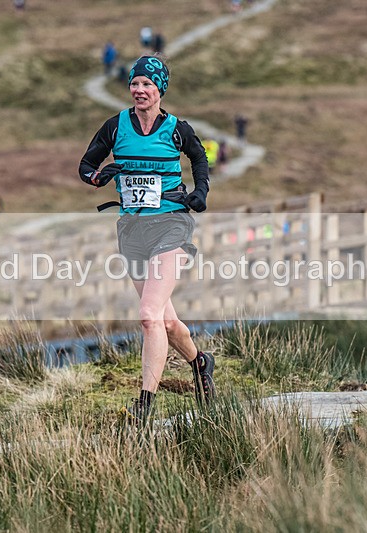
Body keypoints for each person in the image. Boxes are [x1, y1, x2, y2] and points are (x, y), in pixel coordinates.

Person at [79, 55, 215, 424]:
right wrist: (99, 177)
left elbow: (199, 159)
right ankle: (201, 363)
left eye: (147, 85)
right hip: (132, 230)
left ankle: (144, 405)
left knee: (148, 317)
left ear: (160, 90)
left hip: (171, 225)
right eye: (135, 84)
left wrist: (200, 192)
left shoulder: (175, 129)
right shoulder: (115, 126)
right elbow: (86, 166)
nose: (139, 90)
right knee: (167, 324)